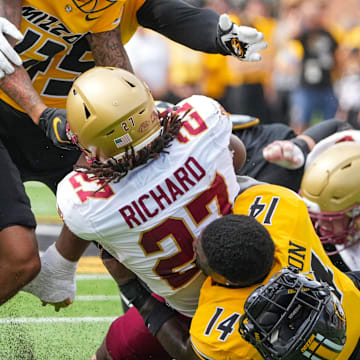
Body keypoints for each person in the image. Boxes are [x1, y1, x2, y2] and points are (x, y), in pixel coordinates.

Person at [0, 0, 267, 307]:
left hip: (76, 126)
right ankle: (63, 268)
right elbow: (5, 60)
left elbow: (159, 16)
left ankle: (70, 273)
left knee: (140, 198)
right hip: (22, 114)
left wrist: (214, 34)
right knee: (19, 257)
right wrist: (41, 114)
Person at [102, 179, 360, 360]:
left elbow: (187, 352)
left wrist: (132, 289)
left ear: (226, 280)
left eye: (198, 255)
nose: (194, 244)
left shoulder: (223, 321)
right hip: (351, 307)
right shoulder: (281, 208)